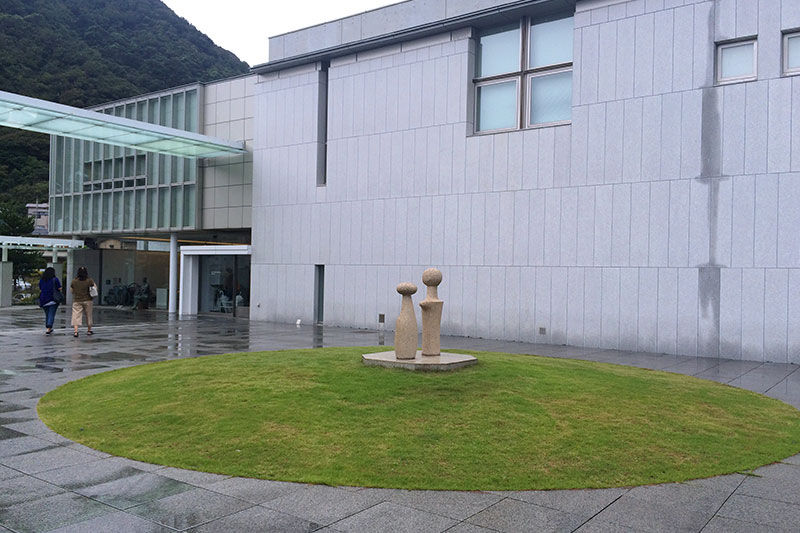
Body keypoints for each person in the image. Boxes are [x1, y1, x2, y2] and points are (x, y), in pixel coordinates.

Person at [70, 267, 96, 338]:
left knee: (76, 316)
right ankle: (89, 330)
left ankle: (76, 331)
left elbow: (72, 291)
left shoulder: (74, 281)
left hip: (77, 300)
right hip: (88, 300)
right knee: (89, 315)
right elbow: (94, 288)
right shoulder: (89, 280)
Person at [38, 267, 62, 335]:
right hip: (53, 299)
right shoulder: (55, 279)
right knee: (51, 314)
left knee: (47, 314)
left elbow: (40, 288)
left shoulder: (42, 280)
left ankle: (48, 327)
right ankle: (49, 328)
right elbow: (59, 288)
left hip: (43, 299)